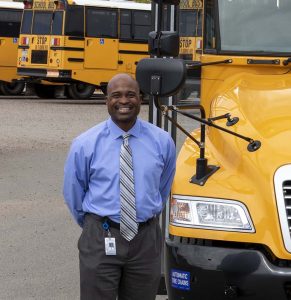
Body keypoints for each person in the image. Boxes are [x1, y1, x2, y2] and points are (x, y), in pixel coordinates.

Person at [63, 73, 176, 300]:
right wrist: (95, 225)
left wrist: (144, 213)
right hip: (100, 236)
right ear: (107, 101)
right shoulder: (85, 144)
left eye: (130, 95)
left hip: (146, 240)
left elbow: (163, 187)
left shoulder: (162, 142)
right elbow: (73, 192)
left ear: (140, 99)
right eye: (116, 95)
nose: (124, 101)